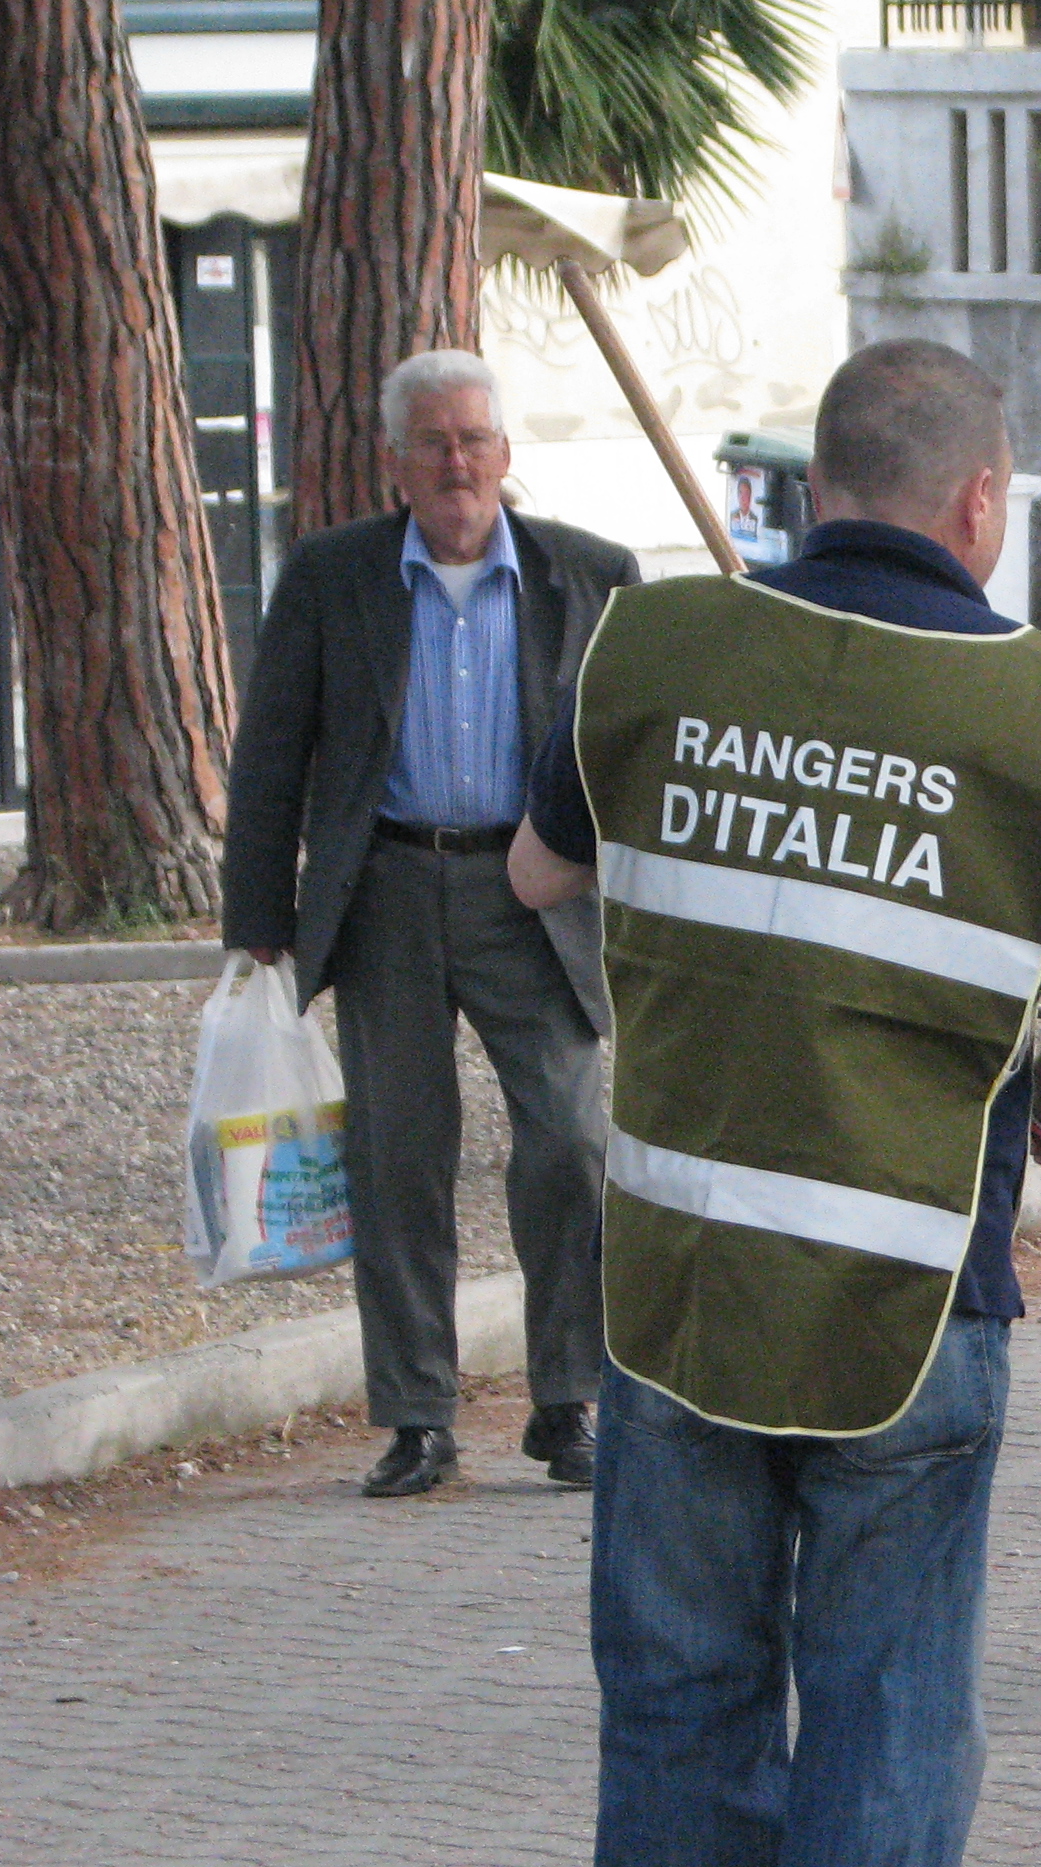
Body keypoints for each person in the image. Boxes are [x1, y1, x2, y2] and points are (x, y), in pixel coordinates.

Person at [508, 339, 1041, 1867]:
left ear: (808, 486)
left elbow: (545, 877)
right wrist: (1040, 1100)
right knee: (882, 1690)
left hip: (686, 1275)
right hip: (905, 1289)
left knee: (685, 1674)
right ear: (977, 505)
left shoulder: (656, 648)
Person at [221, 351, 631, 1499]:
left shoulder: (592, 576)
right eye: (433, 444)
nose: (456, 463)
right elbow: (271, 755)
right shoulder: (330, 576)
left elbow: (637, 747)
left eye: (474, 440)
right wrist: (259, 916)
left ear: (508, 455)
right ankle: (416, 1417)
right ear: (395, 463)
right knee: (399, 1161)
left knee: (571, 1144)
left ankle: (569, 1403)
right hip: (387, 892)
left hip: (535, 892)